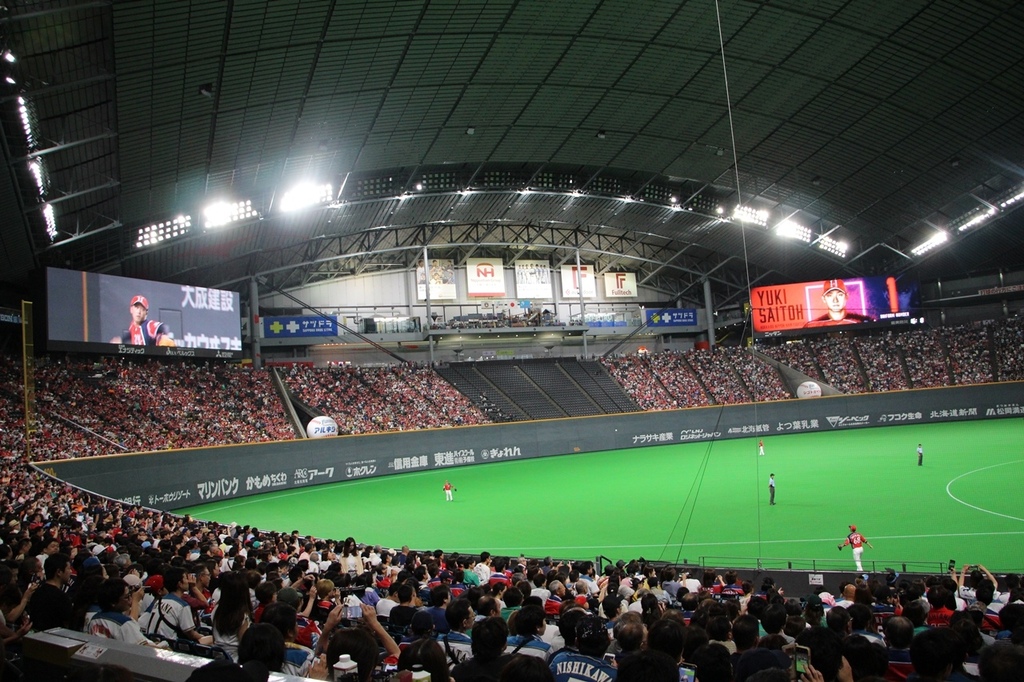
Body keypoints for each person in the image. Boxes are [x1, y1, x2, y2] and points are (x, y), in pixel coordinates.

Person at [110, 294, 175, 346]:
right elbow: (131, 333)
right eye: (137, 308)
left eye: (142, 309)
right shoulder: (132, 325)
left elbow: (163, 327)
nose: (139, 312)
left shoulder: (148, 325)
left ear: (146, 313)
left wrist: (164, 336)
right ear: (131, 309)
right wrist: (121, 339)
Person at [804, 279, 873, 327]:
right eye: (830, 295)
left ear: (846, 296)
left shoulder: (862, 320)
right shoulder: (812, 325)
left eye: (839, 295)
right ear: (824, 299)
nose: (835, 300)